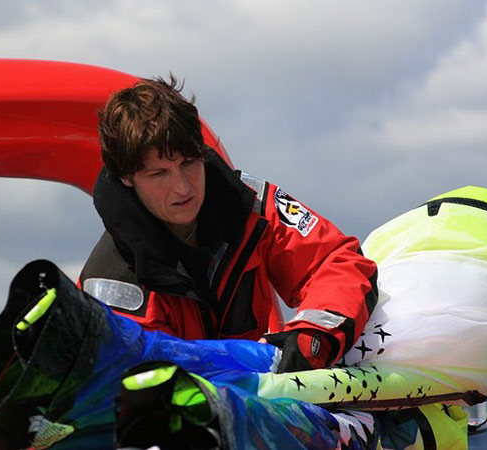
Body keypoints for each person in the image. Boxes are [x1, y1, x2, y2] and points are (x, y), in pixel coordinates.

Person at [79, 75, 378, 373]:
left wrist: (313, 336)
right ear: (126, 177)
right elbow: (142, 382)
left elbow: (337, 262)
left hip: (265, 390)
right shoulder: (109, 284)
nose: (183, 188)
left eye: (189, 163)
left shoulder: (252, 205)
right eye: (159, 174)